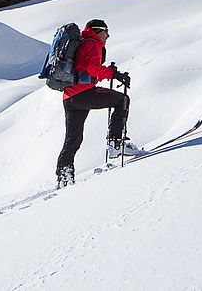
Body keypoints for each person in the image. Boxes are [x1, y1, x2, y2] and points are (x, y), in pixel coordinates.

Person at [55, 19, 144, 188]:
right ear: (97, 31)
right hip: (84, 94)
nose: (108, 35)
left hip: (70, 97)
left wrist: (109, 73)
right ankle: (115, 143)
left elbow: (85, 70)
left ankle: (64, 176)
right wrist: (113, 74)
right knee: (122, 100)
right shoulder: (92, 43)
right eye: (106, 31)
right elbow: (92, 68)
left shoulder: (82, 42)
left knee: (73, 139)